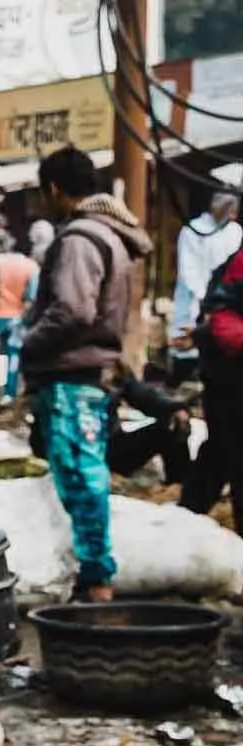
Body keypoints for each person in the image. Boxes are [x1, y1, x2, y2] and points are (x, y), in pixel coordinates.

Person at [20, 147, 149, 603]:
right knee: (85, 473)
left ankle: (96, 581)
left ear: (54, 189)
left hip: (72, 375)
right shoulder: (110, 235)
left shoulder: (78, 238)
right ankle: (94, 575)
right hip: (91, 373)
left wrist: (29, 341)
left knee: (81, 475)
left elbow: (73, 310)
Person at [184, 240, 243, 518]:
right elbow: (223, 321)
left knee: (218, 453)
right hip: (230, 382)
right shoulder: (236, 265)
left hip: (225, 379)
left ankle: (186, 517)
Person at [170, 188, 241, 382]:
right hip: (196, 299)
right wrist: (205, 299)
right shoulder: (193, 229)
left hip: (224, 306)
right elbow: (189, 268)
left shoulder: (235, 232)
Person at [0, 229, 37, 402]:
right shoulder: (29, 265)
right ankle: (10, 394)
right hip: (18, 316)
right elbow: (31, 297)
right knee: (14, 356)